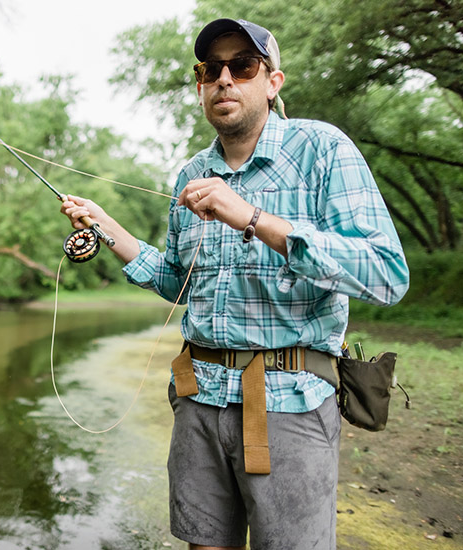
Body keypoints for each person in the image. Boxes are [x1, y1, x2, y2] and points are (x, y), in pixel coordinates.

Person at [60, 18, 409, 550]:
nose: (224, 78)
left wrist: (252, 218)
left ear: (272, 81)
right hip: (198, 400)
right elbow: (175, 279)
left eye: (241, 66)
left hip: (290, 405)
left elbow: (387, 274)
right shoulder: (191, 172)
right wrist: (106, 226)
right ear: (201, 85)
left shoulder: (323, 149)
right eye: (209, 69)